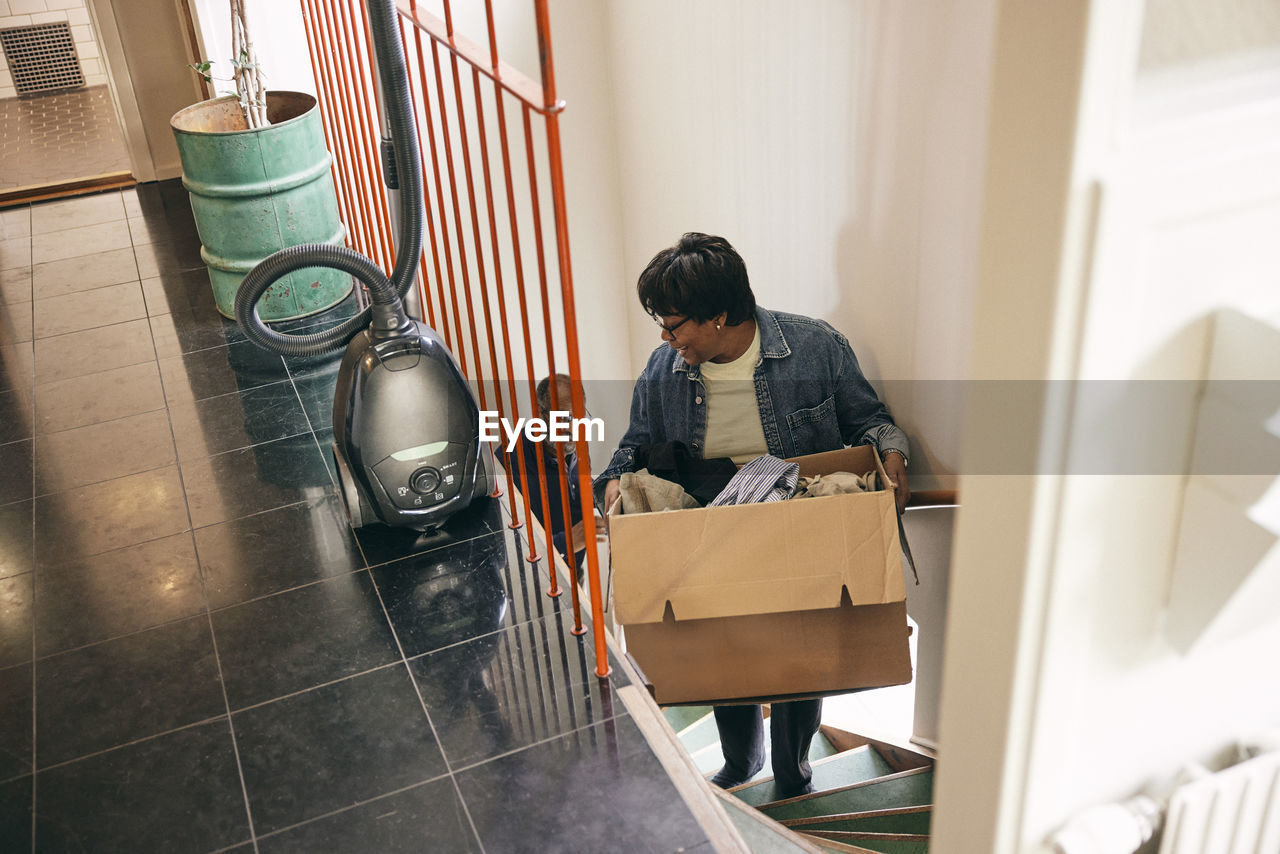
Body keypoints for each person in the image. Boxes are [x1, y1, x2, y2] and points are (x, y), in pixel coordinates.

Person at [594, 232, 909, 796]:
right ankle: (742, 765)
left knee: (801, 655)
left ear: (719, 316)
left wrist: (892, 452)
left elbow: (871, 421)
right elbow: (632, 448)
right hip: (711, 523)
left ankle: (793, 773)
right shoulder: (665, 371)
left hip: (795, 519)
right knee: (722, 647)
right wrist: (614, 481)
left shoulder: (815, 347)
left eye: (674, 325)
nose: (666, 339)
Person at [512, 373, 588, 573]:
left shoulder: (576, 444)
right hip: (539, 580)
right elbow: (514, 546)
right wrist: (566, 543)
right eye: (564, 417)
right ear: (540, 414)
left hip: (574, 572)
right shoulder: (511, 460)